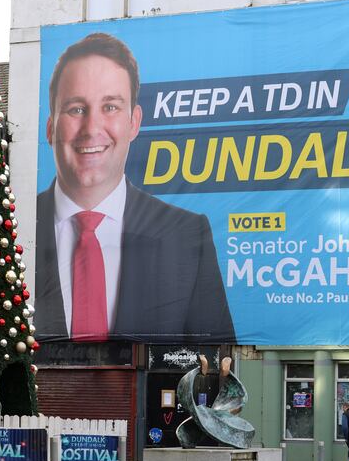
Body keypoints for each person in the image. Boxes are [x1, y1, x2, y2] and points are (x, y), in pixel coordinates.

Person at [34, 32, 235, 349]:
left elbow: (215, 361)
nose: (92, 129)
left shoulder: (186, 234)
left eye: (111, 107)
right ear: (50, 127)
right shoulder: (15, 228)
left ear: (134, 122)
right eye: (75, 109)